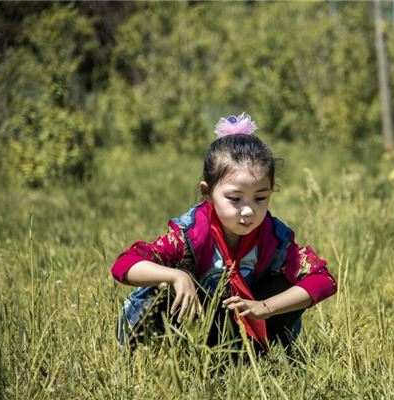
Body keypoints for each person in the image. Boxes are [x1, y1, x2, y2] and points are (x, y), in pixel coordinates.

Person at [111, 113, 337, 352]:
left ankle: (257, 354)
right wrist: (176, 276)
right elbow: (124, 264)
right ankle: (161, 353)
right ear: (207, 193)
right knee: (164, 285)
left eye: (260, 198)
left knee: (287, 283)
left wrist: (265, 307)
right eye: (235, 198)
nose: (248, 210)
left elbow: (323, 279)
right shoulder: (190, 234)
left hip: (235, 324)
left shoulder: (274, 237)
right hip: (186, 325)